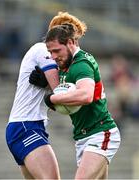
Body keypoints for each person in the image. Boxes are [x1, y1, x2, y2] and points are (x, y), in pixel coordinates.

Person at [29, 12, 121, 179]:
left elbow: (86, 96)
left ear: (70, 42)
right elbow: (66, 88)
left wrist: (51, 98)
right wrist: (46, 80)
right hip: (82, 137)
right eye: (50, 52)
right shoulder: (65, 64)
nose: (54, 56)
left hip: (100, 133)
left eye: (57, 50)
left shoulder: (81, 64)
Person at [5, 42, 61, 179]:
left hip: (27, 125)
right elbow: (61, 93)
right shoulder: (43, 50)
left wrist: (47, 85)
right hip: (26, 126)